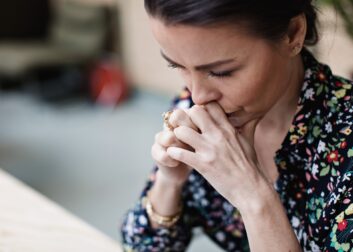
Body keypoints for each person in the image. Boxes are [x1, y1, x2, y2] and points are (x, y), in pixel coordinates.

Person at [121, 0, 353, 251]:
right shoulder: (193, 107)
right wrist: (169, 181)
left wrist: (254, 197)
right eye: (176, 65)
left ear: (292, 33)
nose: (198, 95)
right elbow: (140, 246)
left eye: (221, 72)